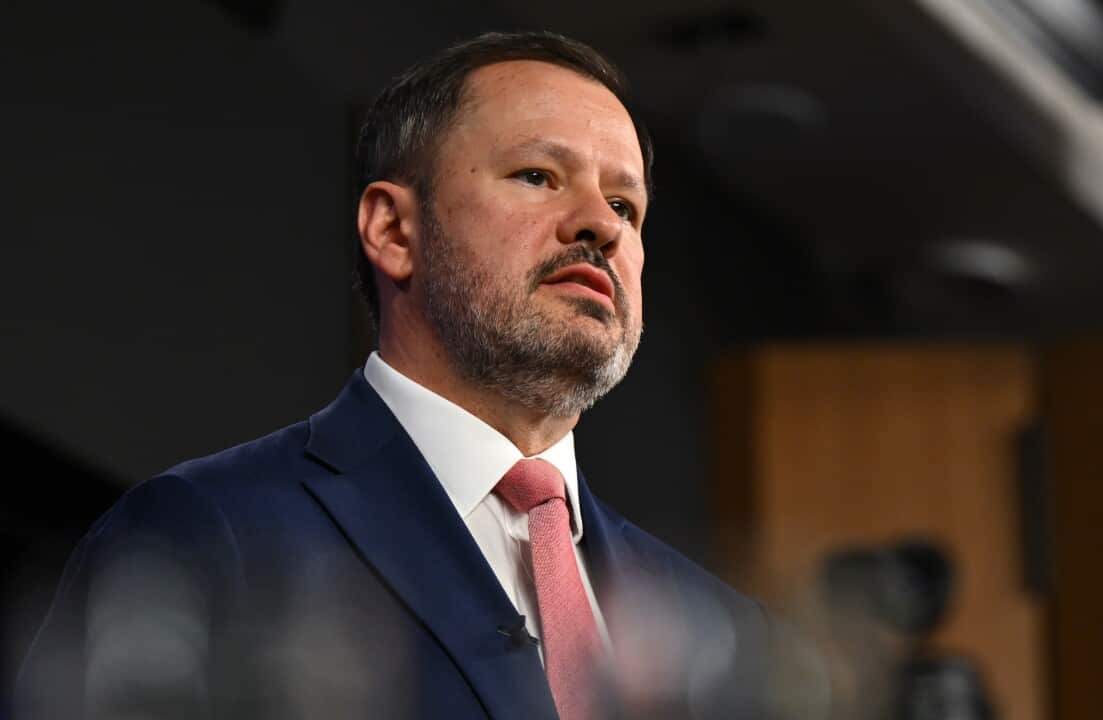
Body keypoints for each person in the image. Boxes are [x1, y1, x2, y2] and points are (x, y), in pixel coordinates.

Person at [15, 31, 802, 719]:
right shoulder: (208, 534)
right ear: (393, 230)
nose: (599, 223)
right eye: (537, 175)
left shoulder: (724, 632)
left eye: (626, 207)